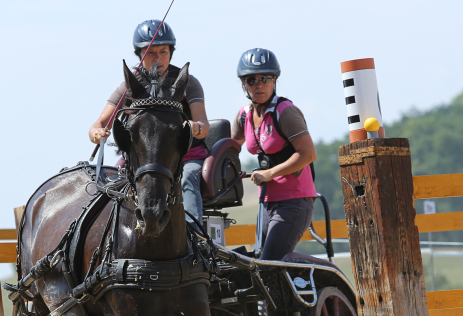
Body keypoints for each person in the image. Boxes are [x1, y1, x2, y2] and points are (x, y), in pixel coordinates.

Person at [89, 20, 210, 222]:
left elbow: (204, 125)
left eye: (164, 51)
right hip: (141, 160)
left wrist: (194, 127)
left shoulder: (188, 83)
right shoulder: (129, 86)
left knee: (188, 178)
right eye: (151, 52)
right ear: (140, 54)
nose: (158, 58)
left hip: (185, 158)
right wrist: (97, 133)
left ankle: (194, 230)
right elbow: (98, 125)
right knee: (113, 180)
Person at [231, 48, 318, 261]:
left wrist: (269, 174)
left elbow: (308, 154)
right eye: (252, 80)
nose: (259, 85)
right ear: (243, 84)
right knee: (256, 264)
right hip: (266, 203)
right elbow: (229, 148)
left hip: (294, 201)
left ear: (274, 80)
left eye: (265, 78)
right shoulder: (244, 116)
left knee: (270, 264)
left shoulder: (285, 112)